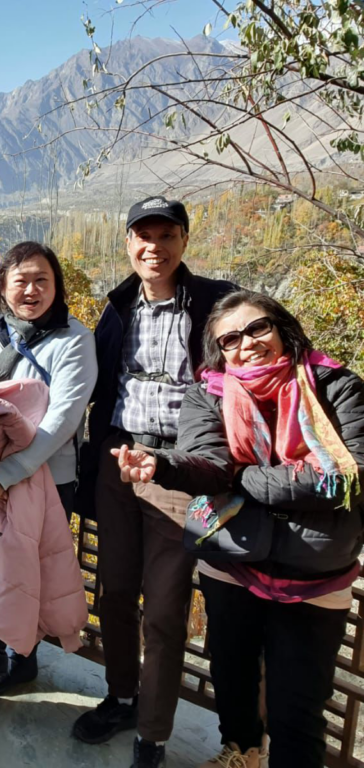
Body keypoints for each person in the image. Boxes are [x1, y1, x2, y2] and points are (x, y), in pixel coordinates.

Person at [113, 290, 364, 768]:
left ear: (282, 328)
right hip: (232, 562)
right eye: (230, 339)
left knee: (297, 708)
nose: (246, 344)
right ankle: (241, 754)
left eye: (257, 328)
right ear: (219, 351)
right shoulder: (208, 394)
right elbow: (208, 465)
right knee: (233, 678)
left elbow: (347, 480)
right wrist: (162, 464)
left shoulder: (336, 386)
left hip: (315, 574)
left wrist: (242, 477)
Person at [73, 197, 236, 768]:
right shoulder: (117, 307)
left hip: (181, 472)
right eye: (143, 236)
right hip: (119, 460)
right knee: (115, 591)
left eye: (167, 236)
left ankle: (153, 733)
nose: (154, 248)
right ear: (128, 243)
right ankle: (121, 697)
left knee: (166, 608)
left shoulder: (215, 303)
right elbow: (94, 384)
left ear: (184, 241)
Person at [0, 241, 97, 739]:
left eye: (41, 280)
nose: (31, 290)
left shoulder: (75, 340)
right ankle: (8, 661)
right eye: (21, 281)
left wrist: (5, 475)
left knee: (20, 570)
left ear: (57, 287)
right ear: (2, 287)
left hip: (46, 480)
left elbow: (61, 421)